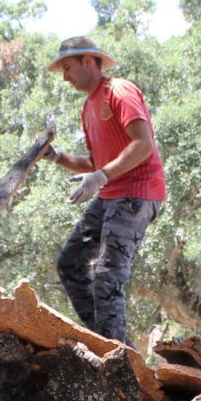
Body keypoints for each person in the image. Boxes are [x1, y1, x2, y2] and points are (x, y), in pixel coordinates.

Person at [43, 36, 166, 345]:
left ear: (88, 61)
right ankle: (105, 341)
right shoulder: (89, 108)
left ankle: (118, 362)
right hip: (111, 194)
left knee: (107, 279)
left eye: (68, 67)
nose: (65, 76)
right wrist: (56, 157)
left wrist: (101, 176)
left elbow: (143, 145)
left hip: (138, 193)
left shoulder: (119, 92)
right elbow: (96, 163)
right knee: (70, 263)